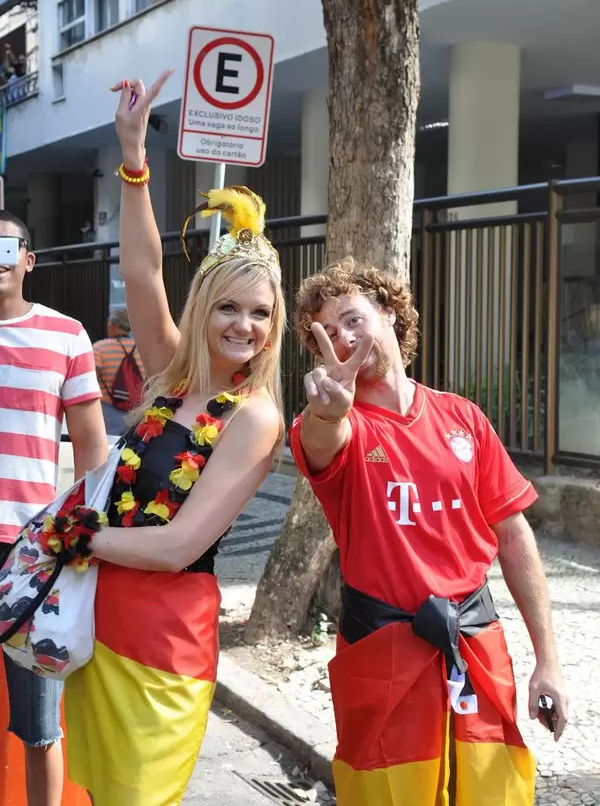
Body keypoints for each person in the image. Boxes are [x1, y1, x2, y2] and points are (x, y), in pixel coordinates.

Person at [61, 71, 286, 805]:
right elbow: (142, 267)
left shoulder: (254, 416)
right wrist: (133, 159)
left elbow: (180, 546)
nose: (242, 326)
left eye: (259, 312)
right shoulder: (169, 378)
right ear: (202, 310)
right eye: (227, 307)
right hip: (98, 622)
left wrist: (77, 536)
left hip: (166, 647)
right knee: (92, 793)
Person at [288, 258, 568, 806]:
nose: (343, 339)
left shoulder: (462, 417)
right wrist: (327, 414)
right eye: (327, 334)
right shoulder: (336, 423)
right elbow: (323, 443)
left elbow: (513, 537)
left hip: (477, 646)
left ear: (389, 312)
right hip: (384, 652)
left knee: (494, 794)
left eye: (351, 319)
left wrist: (548, 661)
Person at [0, 211, 107, 806]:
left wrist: (83, 536)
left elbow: (91, 446)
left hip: (31, 551)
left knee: (40, 721)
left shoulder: (65, 335)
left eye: (5, 246)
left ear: (27, 260)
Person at [93, 309, 145, 437]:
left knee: (108, 452)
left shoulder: (99, 348)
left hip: (107, 412)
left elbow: (90, 379)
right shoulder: (142, 350)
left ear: (113, 325)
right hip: (136, 412)